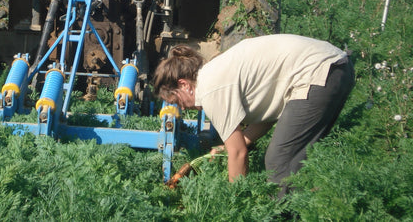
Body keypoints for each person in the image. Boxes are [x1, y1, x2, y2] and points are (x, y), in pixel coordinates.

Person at [152, 34, 355, 197]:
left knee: (279, 161)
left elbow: (238, 153)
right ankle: (314, 204)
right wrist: (243, 140)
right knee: (292, 162)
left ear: (184, 85)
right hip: (334, 67)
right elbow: (268, 113)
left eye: (176, 101)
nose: (182, 108)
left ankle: (283, 214)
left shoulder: (211, 89)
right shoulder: (213, 73)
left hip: (318, 73)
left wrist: (234, 204)